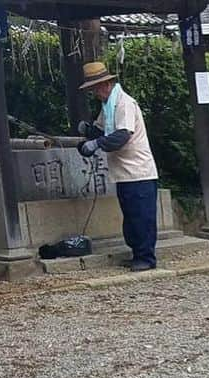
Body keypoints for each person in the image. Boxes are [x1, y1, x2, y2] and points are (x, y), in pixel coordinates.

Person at [76, 61, 159, 272]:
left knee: (142, 217)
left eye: (95, 88)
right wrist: (88, 131)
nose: (95, 93)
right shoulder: (109, 106)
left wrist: (94, 144)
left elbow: (121, 135)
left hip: (138, 171)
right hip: (123, 173)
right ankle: (137, 254)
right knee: (131, 217)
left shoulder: (124, 103)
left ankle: (146, 258)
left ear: (105, 84)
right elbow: (102, 131)